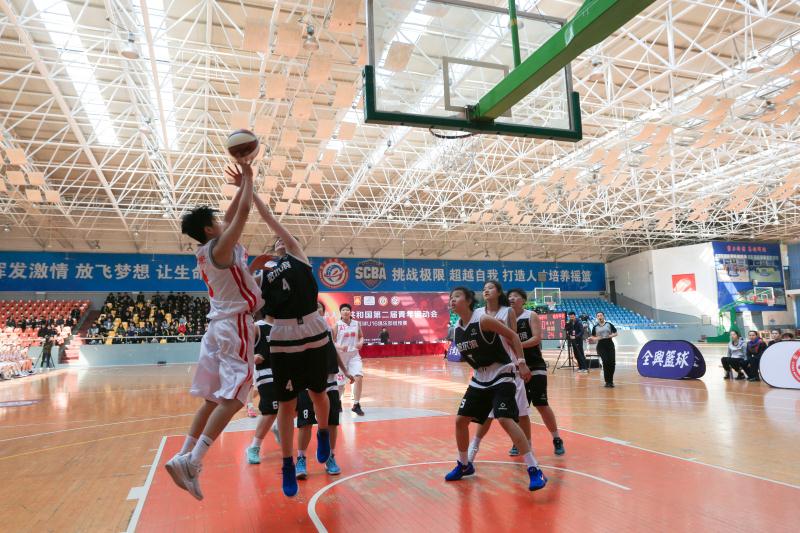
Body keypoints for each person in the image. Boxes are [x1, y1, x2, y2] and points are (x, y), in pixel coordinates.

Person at [164, 162, 263, 501]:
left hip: (218, 326)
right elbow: (243, 213)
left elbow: (233, 212)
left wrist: (240, 186)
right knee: (236, 395)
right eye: (217, 222)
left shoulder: (209, 250)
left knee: (212, 399)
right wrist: (249, 177)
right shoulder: (220, 249)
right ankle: (193, 461)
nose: (223, 222)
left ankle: (183, 454)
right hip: (234, 325)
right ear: (209, 230)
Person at [249, 181, 333, 498]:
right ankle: (287, 463)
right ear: (272, 250)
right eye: (276, 242)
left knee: (319, 392)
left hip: (312, 326)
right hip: (283, 334)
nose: (280, 241)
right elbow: (250, 304)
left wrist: (250, 191)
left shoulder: (298, 255)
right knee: (286, 404)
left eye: (282, 239)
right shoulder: (261, 275)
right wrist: (252, 269)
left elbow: (269, 218)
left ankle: (323, 433)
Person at [445, 287, 546, 491]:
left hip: (502, 373)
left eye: (456, 296)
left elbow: (514, 337)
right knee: (460, 421)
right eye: (450, 298)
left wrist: (521, 363)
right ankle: (464, 464)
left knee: (505, 419)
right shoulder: (457, 328)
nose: (452, 300)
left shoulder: (483, 320)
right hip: (480, 378)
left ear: (468, 300)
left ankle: (535, 469)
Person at [468, 280, 532, 460]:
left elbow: (513, 338)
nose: (486, 290)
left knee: (521, 411)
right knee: (486, 413)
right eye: (484, 288)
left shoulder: (507, 311)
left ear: (498, 292)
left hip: (508, 367)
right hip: (487, 368)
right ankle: (473, 447)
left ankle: (528, 446)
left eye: (490, 288)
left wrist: (521, 363)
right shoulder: (477, 313)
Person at [295, 302, 354, 479]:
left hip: (329, 382)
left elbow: (333, 352)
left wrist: (345, 371)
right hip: (306, 383)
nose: (316, 309)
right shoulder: (299, 329)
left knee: (332, 423)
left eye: (319, 307)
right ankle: (301, 458)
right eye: (313, 307)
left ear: (322, 312)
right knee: (305, 423)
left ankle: (330, 457)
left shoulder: (327, 330)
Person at [508, 289, 565, 455]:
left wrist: (517, 345)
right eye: (509, 296)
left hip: (534, 365)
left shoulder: (530, 315)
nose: (512, 298)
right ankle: (520, 441)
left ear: (523, 300)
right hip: (516, 368)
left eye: (516, 296)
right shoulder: (505, 319)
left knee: (541, 404)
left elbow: (536, 338)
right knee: (519, 408)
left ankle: (556, 438)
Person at [244, 315, 280, 464]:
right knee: (271, 410)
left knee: (300, 405)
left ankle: (278, 426)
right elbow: (240, 347)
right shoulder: (258, 327)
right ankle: (254, 447)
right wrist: (251, 357)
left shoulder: (284, 326)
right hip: (266, 373)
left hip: (286, 372)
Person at [333, 303, 365, 416]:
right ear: (340, 312)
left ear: (350, 312)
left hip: (354, 356)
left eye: (347, 310)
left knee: (359, 377)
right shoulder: (337, 325)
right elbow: (332, 340)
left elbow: (361, 336)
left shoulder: (356, 323)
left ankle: (356, 405)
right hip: (341, 357)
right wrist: (340, 347)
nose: (345, 312)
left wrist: (360, 343)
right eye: (343, 310)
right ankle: (338, 402)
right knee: (340, 384)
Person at [589, 311, 618, 387]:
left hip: (610, 344)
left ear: (603, 316)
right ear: (597, 317)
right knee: (605, 362)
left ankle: (611, 381)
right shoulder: (595, 327)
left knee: (612, 363)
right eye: (598, 316)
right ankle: (607, 381)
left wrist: (610, 336)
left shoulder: (609, 324)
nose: (600, 317)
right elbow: (592, 337)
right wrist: (596, 338)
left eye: (601, 315)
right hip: (601, 346)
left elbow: (616, 333)